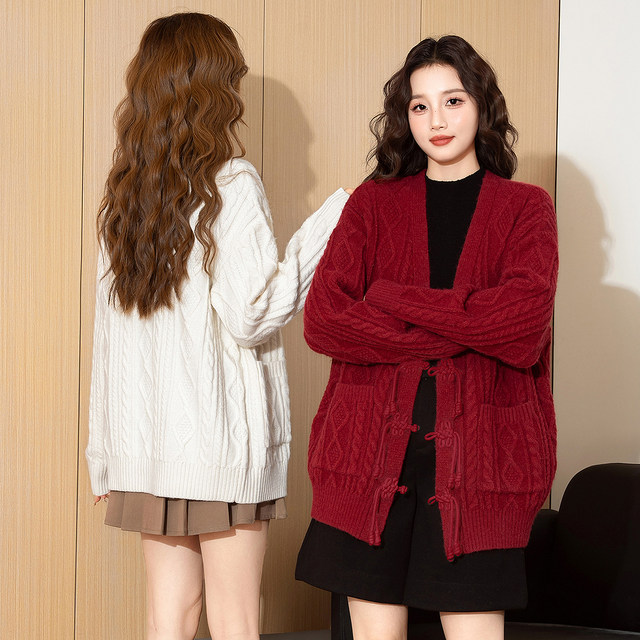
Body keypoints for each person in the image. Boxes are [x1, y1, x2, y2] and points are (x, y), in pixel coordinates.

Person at [85, 12, 349, 640]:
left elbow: (109, 343)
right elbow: (253, 314)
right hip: (220, 448)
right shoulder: (232, 183)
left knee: (167, 620)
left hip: (147, 450)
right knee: (236, 621)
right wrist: (335, 216)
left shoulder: (127, 197)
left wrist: (105, 456)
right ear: (212, 86)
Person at [295, 35, 558, 640]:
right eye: (420, 106)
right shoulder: (372, 204)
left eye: (453, 101)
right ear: (404, 117)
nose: (436, 120)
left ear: (482, 106)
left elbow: (521, 327)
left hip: (483, 466)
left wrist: (389, 297)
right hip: (367, 458)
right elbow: (324, 319)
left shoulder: (525, 208)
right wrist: (469, 328)